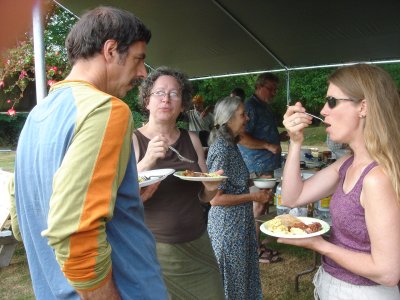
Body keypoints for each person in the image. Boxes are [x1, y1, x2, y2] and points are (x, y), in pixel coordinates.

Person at [10, 7, 168, 299]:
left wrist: (123, 199)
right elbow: (74, 230)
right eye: (138, 58)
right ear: (110, 50)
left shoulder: (36, 116)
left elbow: (23, 222)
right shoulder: (105, 109)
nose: (143, 72)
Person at [281, 64, 400, 299]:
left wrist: (320, 245)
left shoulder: (376, 178)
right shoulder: (347, 164)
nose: (323, 110)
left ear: (363, 107)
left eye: (332, 101)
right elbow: (291, 197)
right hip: (334, 285)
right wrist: (295, 142)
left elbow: (388, 272)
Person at [132, 66, 225, 299]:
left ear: (183, 105)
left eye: (174, 94)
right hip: (155, 248)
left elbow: (204, 195)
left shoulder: (191, 139)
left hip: (198, 244)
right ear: (147, 101)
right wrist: (146, 161)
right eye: (159, 93)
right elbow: (118, 194)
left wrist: (211, 188)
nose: (166, 99)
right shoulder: (133, 139)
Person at [207, 96, 273, 299]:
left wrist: (255, 184)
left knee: (242, 279)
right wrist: (254, 197)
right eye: (243, 114)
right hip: (228, 229)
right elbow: (215, 199)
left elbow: (233, 183)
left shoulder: (231, 145)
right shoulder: (221, 150)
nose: (247, 118)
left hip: (238, 226)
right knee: (231, 283)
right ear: (228, 120)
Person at [237, 72, 288, 262]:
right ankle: (252, 250)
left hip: (267, 166)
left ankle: (259, 243)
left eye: (276, 89)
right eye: (271, 88)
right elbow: (242, 137)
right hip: (256, 165)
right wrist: (267, 145)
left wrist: (279, 137)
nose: (274, 93)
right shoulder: (251, 107)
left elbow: (261, 133)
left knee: (264, 204)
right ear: (259, 86)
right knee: (258, 205)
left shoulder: (264, 107)